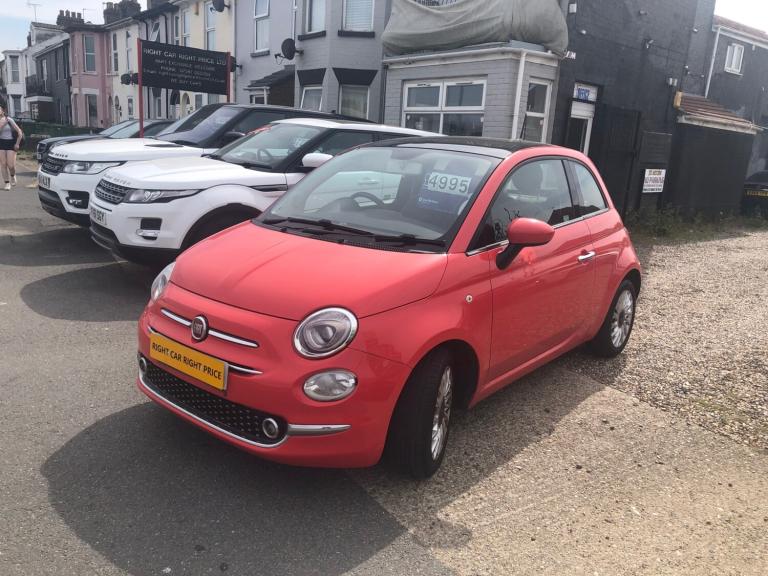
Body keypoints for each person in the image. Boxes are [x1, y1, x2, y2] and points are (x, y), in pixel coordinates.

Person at [0, 106, 24, 190]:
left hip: (11, 143)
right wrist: (2, 125)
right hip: (1, 143)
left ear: (2, 111)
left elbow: (19, 132)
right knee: (3, 164)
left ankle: (13, 175)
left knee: (11, 165)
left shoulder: (9, 119)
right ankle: (7, 183)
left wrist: (17, 144)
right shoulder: (3, 122)